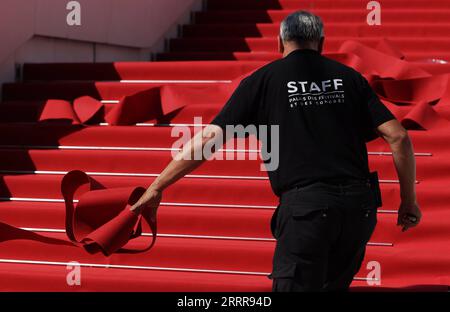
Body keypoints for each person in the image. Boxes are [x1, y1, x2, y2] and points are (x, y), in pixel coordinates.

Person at [130, 10, 422, 292]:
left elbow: (208, 139)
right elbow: (398, 137)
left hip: (307, 211)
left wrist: (158, 186)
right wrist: (408, 201)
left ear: (279, 43)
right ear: (320, 43)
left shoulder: (262, 81)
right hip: (360, 209)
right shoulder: (349, 78)